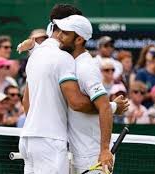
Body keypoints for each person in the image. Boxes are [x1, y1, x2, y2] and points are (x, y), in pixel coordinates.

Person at [19, 5, 100, 174]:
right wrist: (110, 107)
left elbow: (26, 101)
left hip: (28, 139)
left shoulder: (35, 54)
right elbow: (77, 103)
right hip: (50, 142)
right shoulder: (63, 57)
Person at [54, 14, 128, 173]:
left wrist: (104, 151)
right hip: (79, 153)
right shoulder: (72, 63)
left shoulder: (86, 67)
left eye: (65, 33)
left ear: (79, 39)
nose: (59, 36)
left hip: (93, 156)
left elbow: (104, 107)